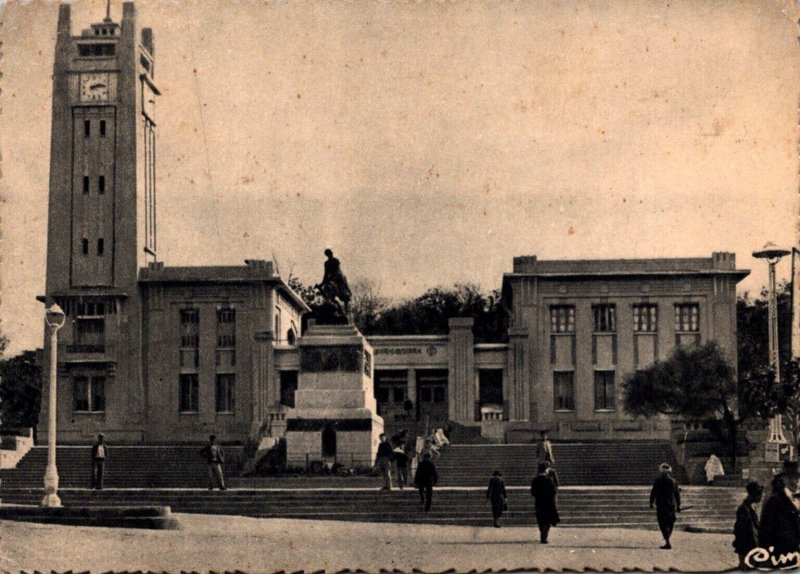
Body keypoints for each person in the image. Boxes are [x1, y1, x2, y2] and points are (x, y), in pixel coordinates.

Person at [759, 460, 800, 558]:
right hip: (783, 557)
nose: (795, 481)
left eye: (798, 477)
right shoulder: (774, 503)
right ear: (783, 479)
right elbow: (765, 533)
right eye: (790, 477)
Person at [649, 462, 681, 549]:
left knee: (662, 523)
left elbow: (653, 492)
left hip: (661, 505)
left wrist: (651, 502)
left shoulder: (658, 481)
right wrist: (678, 506)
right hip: (671, 505)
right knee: (671, 521)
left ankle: (667, 540)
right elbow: (677, 495)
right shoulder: (674, 481)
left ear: (661, 472)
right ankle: (667, 538)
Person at [733, 481, 764, 570]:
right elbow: (744, 530)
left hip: (751, 547)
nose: (761, 498)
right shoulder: (744, 510)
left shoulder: (750, 508)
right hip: (747, 548)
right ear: (754, 495)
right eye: (759, 496)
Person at [531, 462, 560, 543]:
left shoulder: (535, 480)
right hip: (548, 502)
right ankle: (544, 535)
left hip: (539, 502)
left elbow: (532, 492)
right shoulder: (548, 480)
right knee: (547, 519)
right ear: (545, 470)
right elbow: (553, 491)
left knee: (540, 519)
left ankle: (542, 534)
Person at [316, 249, 352, 315]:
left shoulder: (336, 260)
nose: (330, 254)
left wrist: (332, 278)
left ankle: (347, 310)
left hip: (339, 278)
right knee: (327, 290)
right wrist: (322, 283)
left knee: (345, 294)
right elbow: (326, 274)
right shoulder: (326, 263)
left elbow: (337, 270)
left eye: (330, 253)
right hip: (331, 278)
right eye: (328, 254)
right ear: (327, 255)